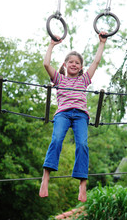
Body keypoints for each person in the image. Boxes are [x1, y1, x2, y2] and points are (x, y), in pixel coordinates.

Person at [39, 32, 107, 202]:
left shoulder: (84, 79)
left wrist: (102, 43)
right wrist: (51, 45)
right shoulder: (59, 79)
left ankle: (82, 183)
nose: (74, 64)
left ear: (81, 67)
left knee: (83, 144)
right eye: (71, 62)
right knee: (56, 140)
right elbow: (46, 63)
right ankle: (45, 177)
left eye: (77, 63)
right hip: (63, 113)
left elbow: (96, 62)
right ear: (65, 64)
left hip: (80, 116)